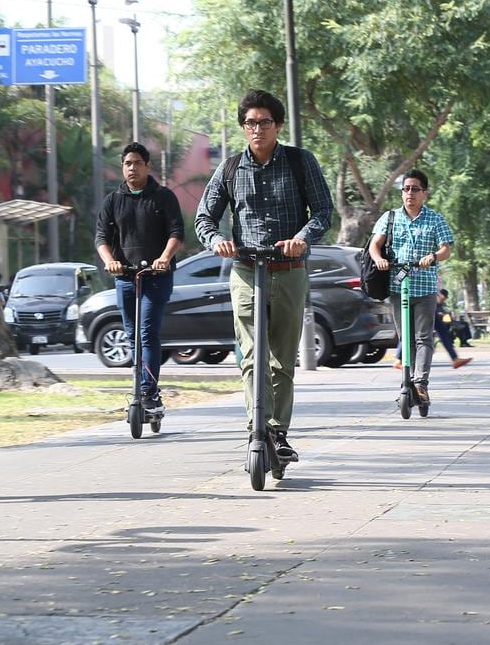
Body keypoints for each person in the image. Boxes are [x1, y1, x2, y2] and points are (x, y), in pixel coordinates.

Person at [194, 89, 333, 463]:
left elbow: (322, 211)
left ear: (278, 125)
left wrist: (302, 240)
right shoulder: (229, 169)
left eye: (265, 122)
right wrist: (218, 241)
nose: (258, 129)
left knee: (281, 359)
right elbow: (204, 218)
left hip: (288, 271)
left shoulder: (301, 162)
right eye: (251, 123)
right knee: (252, 355)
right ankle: (258, 429)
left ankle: (278, 432)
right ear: (243, 127)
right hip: (245, 270)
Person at [95, 141, 185, 414]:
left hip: (156, 276)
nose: (131, 168)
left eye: (136, 163)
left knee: (146, 332)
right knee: (132, 334)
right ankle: (141, 387)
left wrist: (164, 259)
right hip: (125, 276)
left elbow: (177, 233)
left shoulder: (163, 196)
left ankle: (149, 393)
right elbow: (101, 238)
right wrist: (110, 262)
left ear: (147, 166)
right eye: (127, 163)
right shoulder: (112, 200)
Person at [369, 169, 455, 405]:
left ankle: (420, 384)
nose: (410, 193)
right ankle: (407, 380)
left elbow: (446, 248)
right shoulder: (390, 217)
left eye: (415, 189)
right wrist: (379, 259)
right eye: (406, 189)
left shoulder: (435, 219)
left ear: (424, 193)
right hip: (399, 286)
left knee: (423, 337)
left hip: (425, 286)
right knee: (405, 338)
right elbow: (375, 245)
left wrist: (434, 256)